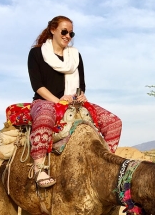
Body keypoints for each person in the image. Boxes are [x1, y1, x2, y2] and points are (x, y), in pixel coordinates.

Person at [28, 16, 122, 188]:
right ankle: (39, 168)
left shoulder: (75, 56)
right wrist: (58, 102)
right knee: (45, 116)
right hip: (46, 101)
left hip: (74, 103)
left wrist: (81, 96)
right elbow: (38, 86)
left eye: (71, 33)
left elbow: (82, 85)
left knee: (114, 122)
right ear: (53, 30)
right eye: (64, 31)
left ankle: (103, 165)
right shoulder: (37, 53)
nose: (68, 36)